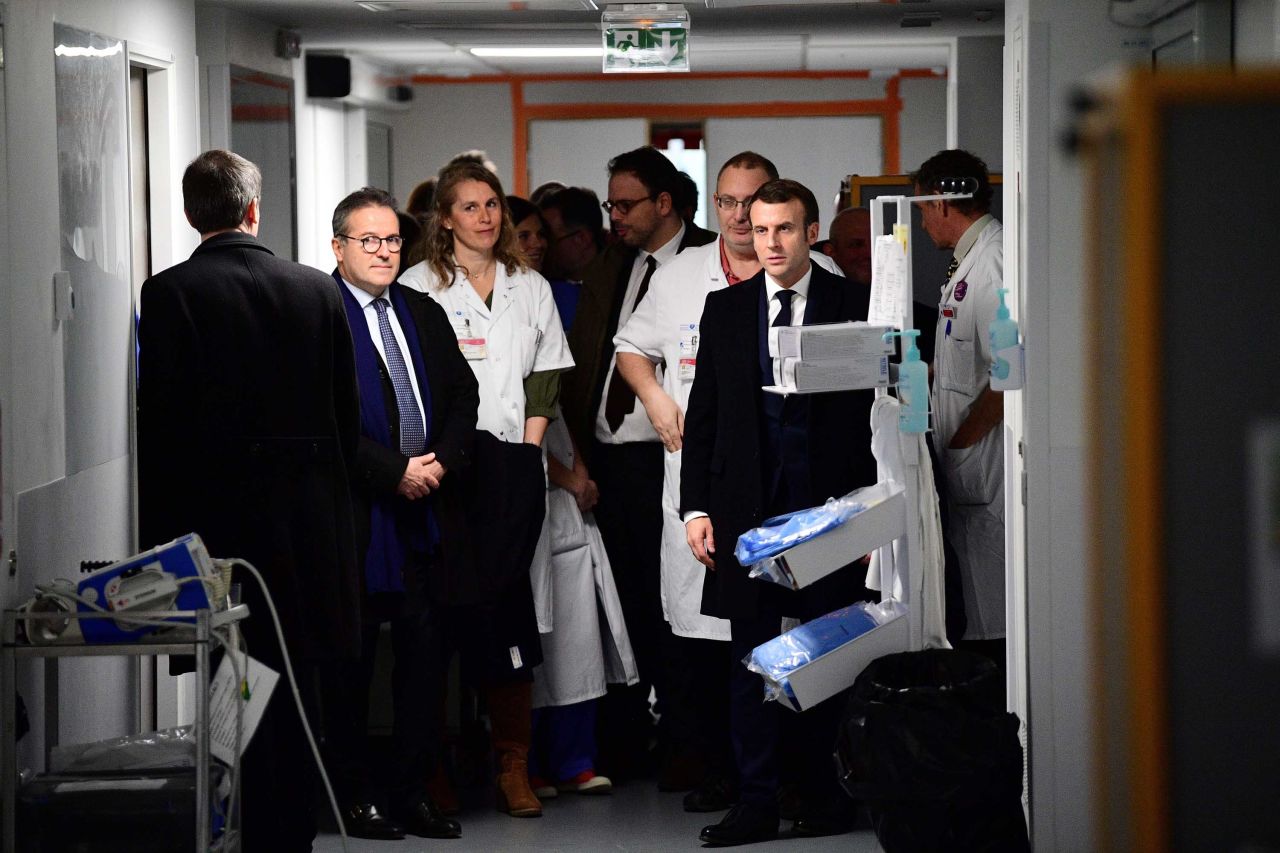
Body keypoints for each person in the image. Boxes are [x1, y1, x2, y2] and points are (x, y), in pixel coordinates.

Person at [137, 149, 361, 852]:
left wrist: (164, 553)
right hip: (308, 525)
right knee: (297, 678)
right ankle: (292, 828)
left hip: (221, 527)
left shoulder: (171, 292)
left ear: (189, 213)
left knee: (233, 673)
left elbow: (163, 426)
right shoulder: (316, 291)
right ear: (254, 208)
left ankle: (236, 823)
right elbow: (345, 421)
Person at [613, 151, 845, 814]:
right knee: (727, 652)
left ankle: (811, 787)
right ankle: (743, 784)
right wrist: (659, 403)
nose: (746, 221)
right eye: (729, 204)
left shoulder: (833, 287)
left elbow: (859, 411)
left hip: (809, 500)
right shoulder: (697, 285)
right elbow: (655, 367)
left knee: (811, 645)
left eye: (759, 207)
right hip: (726, 489)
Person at [680, 179, 878, 846]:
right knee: (752, 661)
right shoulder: (726, 310)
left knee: (829, 654)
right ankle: (757, 800)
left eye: (784, 229)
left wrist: (880, 518)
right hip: (747, 510)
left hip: (833, 510)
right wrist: (695, 506)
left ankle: (825, 793)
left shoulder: (856, 304)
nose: (769, 241)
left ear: (811, 230)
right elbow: (702, 414)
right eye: (759, 229)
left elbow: (880, 422)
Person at [400, 161, 574, 818]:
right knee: (439, 617)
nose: (485, 216)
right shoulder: (418, 285)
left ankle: (511, 762)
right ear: (443, 217)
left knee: (507, 610)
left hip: (510, 465)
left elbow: (546, 377)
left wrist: (529, 452)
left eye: (492, 204)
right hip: (444, 467)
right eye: (469, 206)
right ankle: (436, 765)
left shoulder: (530, 285)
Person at [324, 187, 479, 841]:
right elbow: (318, 423)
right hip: (354, 518)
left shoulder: (420, 309)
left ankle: (412, 789)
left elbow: (461, 395)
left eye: (392, 240)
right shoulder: (318, 316)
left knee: (424, 660)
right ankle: (354, 796)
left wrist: (438, 460)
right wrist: (394, 471)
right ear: (339, 248)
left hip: (426, 514)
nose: (385, 251)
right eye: (370, 241)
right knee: (351, 665)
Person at [558, 145, 715, 785]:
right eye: (610, 204)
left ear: (665, 203)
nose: (614, 216)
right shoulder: (611, 265)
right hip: (610, 461)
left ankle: (688, 743)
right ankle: (628, 741)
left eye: (626, 204)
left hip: (670, 457)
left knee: (677, 607)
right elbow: (595, 356)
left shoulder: (709, 260)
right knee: (621, 605)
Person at [913, 149, 1006, 677]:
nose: (922, 221)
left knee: (991, 627)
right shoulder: (970, 261)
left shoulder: (991, 261)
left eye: (924, 207)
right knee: (975, 616)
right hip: (964, 464)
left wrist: (963, 444)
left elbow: (1011, 372)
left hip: (980, 470)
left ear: (943, 201)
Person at [826, 205, 940, 365]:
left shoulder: (925, 322)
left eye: (876, 243)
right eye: (856, 245)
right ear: (830, 252)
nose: (868, 254)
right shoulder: (818, 314)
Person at [538, 186, 606, 331]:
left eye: (550, 238)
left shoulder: (618, 285)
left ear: (582, 239)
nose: (541, 246)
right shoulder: (540, 287)